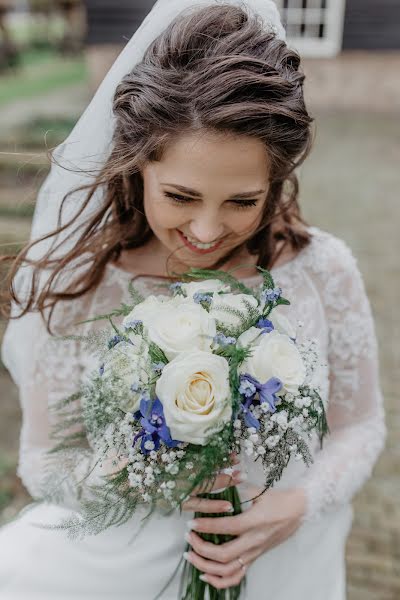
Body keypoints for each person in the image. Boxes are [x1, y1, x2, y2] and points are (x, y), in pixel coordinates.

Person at [0, 1, 385, 598]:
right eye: (180, 195)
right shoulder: (85, 283)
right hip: (122, 564)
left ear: (274, 182)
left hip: (290, 561)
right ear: (137, 168)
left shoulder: (321, 271)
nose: (206, 231)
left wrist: (296, 506)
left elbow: (360, 426)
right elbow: (41, 461)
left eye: (241, 201)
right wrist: (125, 474)